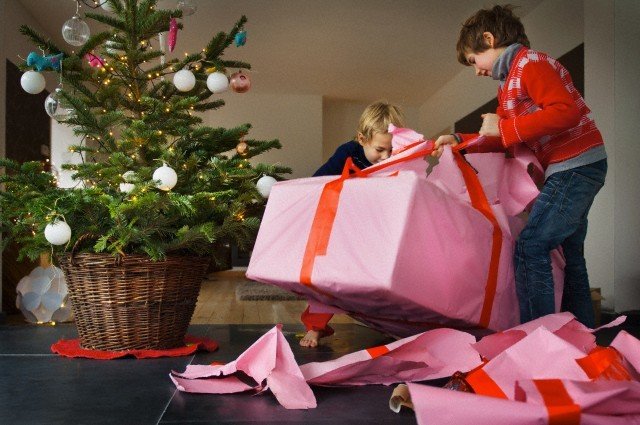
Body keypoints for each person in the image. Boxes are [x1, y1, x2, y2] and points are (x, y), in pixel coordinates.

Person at [434, 5, 606, 327]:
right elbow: (502, 137)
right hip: (576, 166)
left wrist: (505, 129)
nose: (476, 71)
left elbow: (565, 112)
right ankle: (582, 336)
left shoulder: (531, 64)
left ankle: (538, 335)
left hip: (576, 164)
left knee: (531, 244)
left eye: (474, 61)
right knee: (571, 258)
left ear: (489, 38)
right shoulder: (507, 86)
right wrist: (459, 139)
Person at [300, 100, 406, 347]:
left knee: (386, 281)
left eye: (392, 150)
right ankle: (316, 327)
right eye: (380, 150)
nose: (386, 157)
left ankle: (389, 324)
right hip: (344, 228)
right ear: (362, 139)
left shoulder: (397, 156)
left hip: (378, 230)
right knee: (327, 279)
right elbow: (319, 180)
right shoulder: (347, 153)